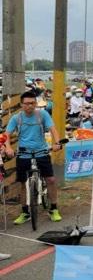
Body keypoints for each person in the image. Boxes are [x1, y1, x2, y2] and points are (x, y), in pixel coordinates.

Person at [6, 90, 65, 224]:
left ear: (36, 103)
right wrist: (8, 147)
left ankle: (53, 209)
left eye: (32, 103)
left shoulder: (42, 114)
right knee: (22, 183)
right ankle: (25, 212)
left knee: (50, 179)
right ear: (21, 105)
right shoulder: (16, 118)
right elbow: (6, 135)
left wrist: (56, 143)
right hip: (23, 153)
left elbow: (53, 129)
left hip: (41, 152)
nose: (30, 106)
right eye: (26, 104)